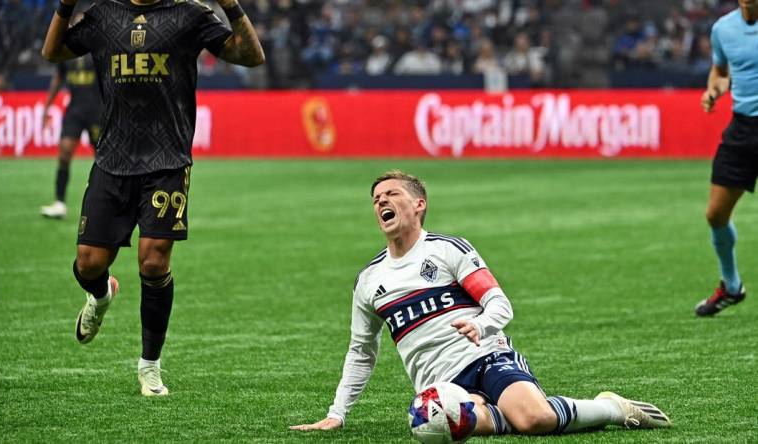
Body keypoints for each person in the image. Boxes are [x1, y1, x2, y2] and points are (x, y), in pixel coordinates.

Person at [290, 171, 671, 437]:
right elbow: (361, 352)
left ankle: (611, 408)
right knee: (438, 426)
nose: (381, 202)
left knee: (534, 419)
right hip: (441, 387)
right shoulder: (369, 281)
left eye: (392, 195)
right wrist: (336, 414)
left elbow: (499, 303)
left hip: (487, 357)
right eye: (376, 199)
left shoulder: (446, 250)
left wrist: (482, 325)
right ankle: (499, 410)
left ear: (419, 204)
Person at [41, 0, 264, 396]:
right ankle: (100, 293)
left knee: (154, 260)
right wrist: (65, 6)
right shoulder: (104, 14)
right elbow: (53, 52)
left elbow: (251, 56)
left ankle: (149, 367)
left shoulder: (191, 14)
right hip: (112, 160)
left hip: (168, 161)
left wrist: (231, 6)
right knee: (88, 264)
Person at [695, 0, 756, 317]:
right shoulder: (723, 29)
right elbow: (720, 72)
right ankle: (732, 287)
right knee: (716, 214)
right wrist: (713, 92)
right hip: (743, 130)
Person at [41, 13, 102, 219]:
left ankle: (104, 204)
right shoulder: (67, 51)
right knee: (64, 153)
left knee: (102, 160)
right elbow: (58, 79)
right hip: (75, 109)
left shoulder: (98, 49)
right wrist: (47, 107)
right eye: (76, 23)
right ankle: (60, 203)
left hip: (98, 110)